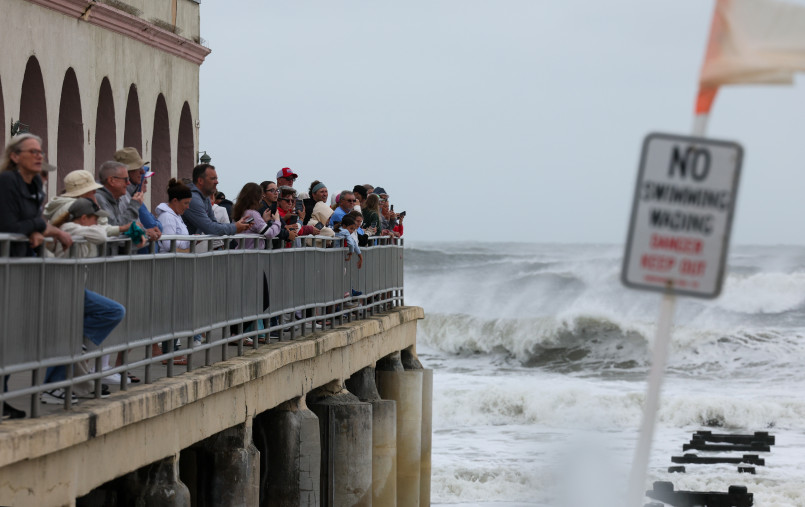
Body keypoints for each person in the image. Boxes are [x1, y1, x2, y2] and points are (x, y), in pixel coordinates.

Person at [0, 134, 72, 418]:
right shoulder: (8, 182)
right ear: (15, 156)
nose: (39, 156)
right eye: (32, 152)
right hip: (8, 264)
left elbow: (32, 221)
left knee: (13, 336)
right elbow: (8, 223)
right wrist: (37, 229)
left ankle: (4, 397)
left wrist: (37, 229)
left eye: (40, 151)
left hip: (23, 264)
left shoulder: (34, 186)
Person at [44, 198, 128, 403]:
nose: (97, 223)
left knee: (67, 338)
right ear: (83, 217)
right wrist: (104, 230)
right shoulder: (70, 227)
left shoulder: (75, 228)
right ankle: (51, 388)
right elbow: (99, 236)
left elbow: (100, 233)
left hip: (70, 288)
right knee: (114, 311)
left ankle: (53, 387)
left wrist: (112, 230)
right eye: (94, 219)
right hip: (63, 288)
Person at [182, 163, 250, 238]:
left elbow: (213, 223)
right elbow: (209, 228)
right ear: (200, 180)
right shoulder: (193, 199)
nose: (216, 182)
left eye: (216, 179)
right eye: (212, 179)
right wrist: (235, 227)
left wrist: (236, 225)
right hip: (180, 248)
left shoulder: (205, 197)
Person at [232, 182, 282, 249]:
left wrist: (263, 220)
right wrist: (277, 220)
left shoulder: (239, 212)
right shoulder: (253, 213)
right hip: (252, 255)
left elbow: (251, 230)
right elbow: (270, 233)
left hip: (240, 252)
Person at [155, 179, 192, 252]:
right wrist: (190, 241)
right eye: (185, 203)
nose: (188, 207)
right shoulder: (167, 217)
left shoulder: (176, 215)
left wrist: (192, 239)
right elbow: (169, 245)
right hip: (168, 261)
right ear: (175, 201)